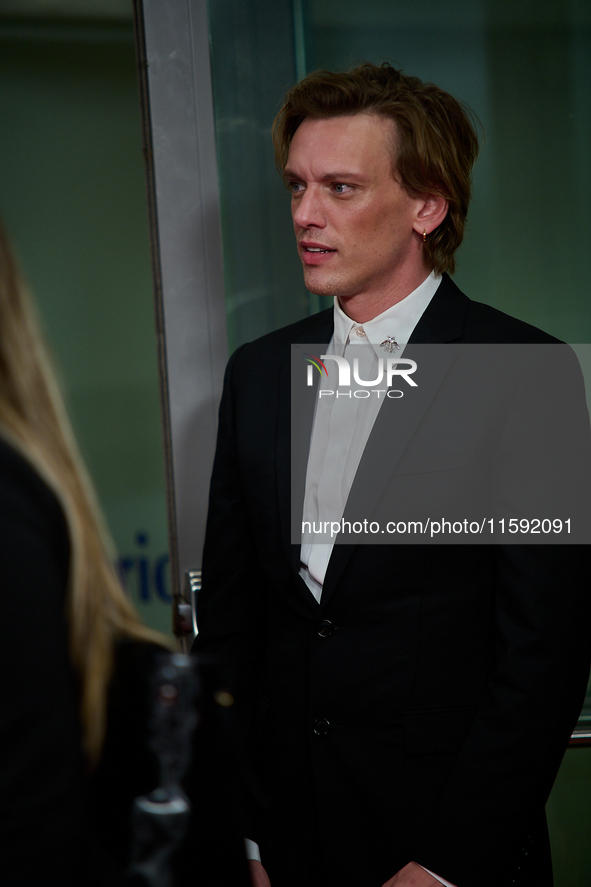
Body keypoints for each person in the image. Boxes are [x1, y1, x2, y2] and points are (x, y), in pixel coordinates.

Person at [193, 63, 591, 887]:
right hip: (286, 847)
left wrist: (444, 865)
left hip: (449, 852)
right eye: (297, 185)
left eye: (340, 187)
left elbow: (544, 655)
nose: (305, 214)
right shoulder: (261, 372)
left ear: (426, 206)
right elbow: (234, 631)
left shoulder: (522, 370)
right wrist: (249, 835)